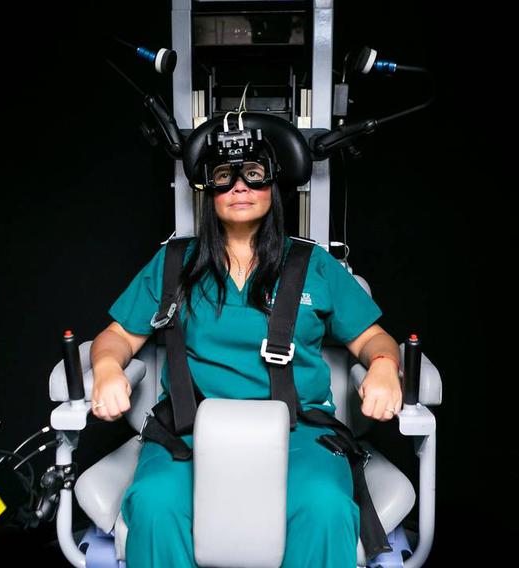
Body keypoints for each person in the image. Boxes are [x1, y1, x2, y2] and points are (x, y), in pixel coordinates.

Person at [88, 118, 402, 567]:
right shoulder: (175, 262)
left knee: (325, 507)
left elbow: (373, 338)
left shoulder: (314, 264)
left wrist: (385, 366)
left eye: (253, 173)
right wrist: (105, 368)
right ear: (207, 190)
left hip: (300, 431)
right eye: (223, 177)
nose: (239, 186)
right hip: (190, 432)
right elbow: (117, 336)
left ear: (273, 183)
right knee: (156, 505)